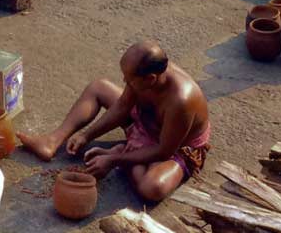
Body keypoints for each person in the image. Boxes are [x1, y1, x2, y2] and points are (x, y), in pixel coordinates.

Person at [18, 41, 211, 203]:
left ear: (150, 79)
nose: (124, 81)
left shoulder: (182, 100)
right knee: (98, 87)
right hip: (145, 123)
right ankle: (52, 141)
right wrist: (87, 135)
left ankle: (126, 153)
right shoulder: (146, 75)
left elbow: (163, 150)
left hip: (173, 147)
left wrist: (114, 159)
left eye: (129, 80)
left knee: (152, 188)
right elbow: (122, 106)